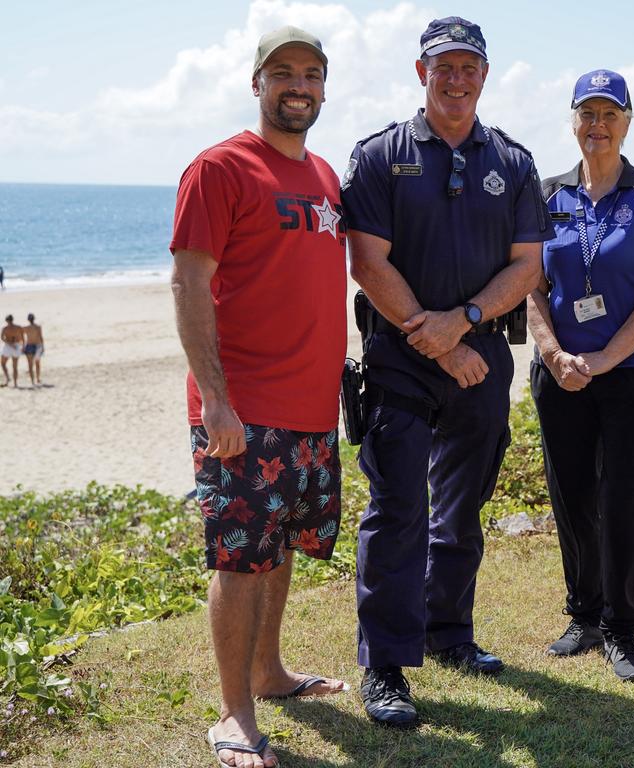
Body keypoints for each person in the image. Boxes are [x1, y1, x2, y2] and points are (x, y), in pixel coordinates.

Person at [342, 16, 552, 728]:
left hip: (480, 359)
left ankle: (449, 633)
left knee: (462, 510)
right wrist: (435, 339)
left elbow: (529, 265)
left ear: (485, 75)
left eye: (469, 67)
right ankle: (386, 667)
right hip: (398, 359)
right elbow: (368, 261)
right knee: (397, 512)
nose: (456, 79)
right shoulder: (379, 155)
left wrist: (461, 324)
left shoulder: (515, 163)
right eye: (443, 67)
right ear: (420, 72)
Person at [169, 26, 348, 768]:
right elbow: (187, 282)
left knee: (281, 551)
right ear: (257, 83)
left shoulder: (327, 177)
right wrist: (215, 399)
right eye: (283, 73)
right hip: (240, 410)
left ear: (324, 87)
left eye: (311, 73)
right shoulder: (218, 168)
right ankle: (233, 714)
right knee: (240, 561)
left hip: (311, 409)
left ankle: (270, 673)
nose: (297, 85)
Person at [527, 70, 634, 683]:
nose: (598, 124)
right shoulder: (545, 195)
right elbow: (529, 285)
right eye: (587, 113)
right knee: (571, 497)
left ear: (627, 121)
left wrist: (604, 360)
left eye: (610, 113)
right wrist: (552, 354)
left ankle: (623, 628)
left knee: (625, 501)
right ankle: (583, 614)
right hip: (562, 374)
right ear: (572, 120)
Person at [1, 315, 23, 388]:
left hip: (8, 346)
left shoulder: (5, 328)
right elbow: (22, 338)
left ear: (7, 320)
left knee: (3, 363)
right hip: (16, 346)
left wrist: (10, 343)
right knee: (15, 366)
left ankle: (8, 378)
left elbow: (2, 338)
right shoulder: (18, 327)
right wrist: (20, 346)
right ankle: (15, 383)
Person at [23, 313, 44, 387]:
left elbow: (20, 336)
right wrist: (43, 347)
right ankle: (37, 378)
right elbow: (41, 337)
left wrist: (22, 345)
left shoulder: (26, 328)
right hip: (37, 345)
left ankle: (32, 381)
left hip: (29, 345)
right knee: (37, 363)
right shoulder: (38, 327)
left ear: (28, 320)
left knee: (30, 364)